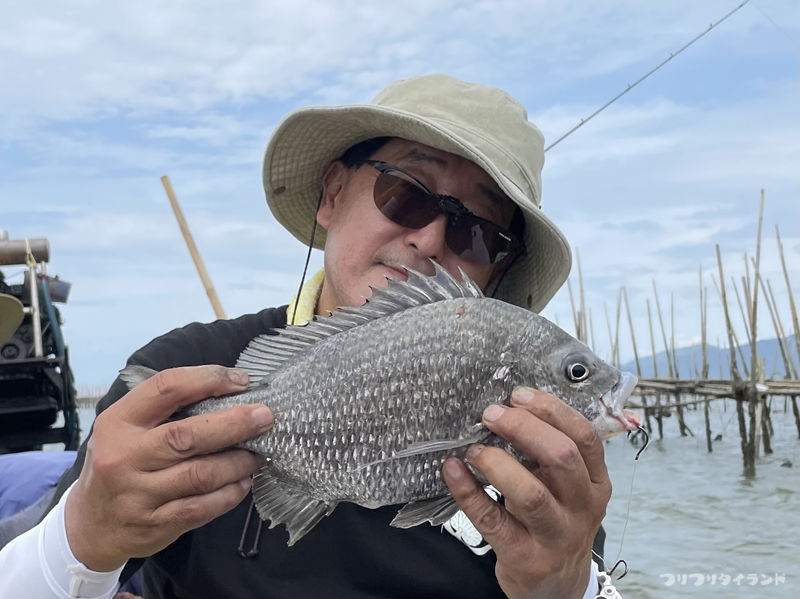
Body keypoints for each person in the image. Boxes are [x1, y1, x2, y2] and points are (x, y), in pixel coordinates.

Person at [0, 74, 619, 598]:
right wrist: (81, 536)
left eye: (477, 232)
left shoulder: (551, 449)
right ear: (332, 194)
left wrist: (572, 588)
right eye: (405, 195)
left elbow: (589, 582)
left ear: (499, 268)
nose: (429, 240)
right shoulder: (181, 378)